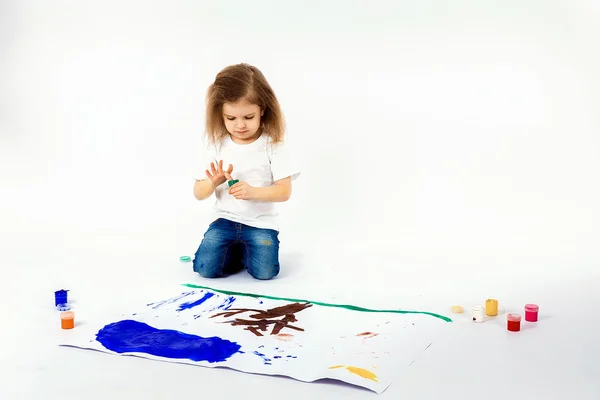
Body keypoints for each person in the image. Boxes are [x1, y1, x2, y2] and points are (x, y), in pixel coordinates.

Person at [191, 63, 300, 280]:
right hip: (224, 221)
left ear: (262, 110)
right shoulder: (216, 145)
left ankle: (242, 252)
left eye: (248, 117)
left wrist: (253, 192)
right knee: (205, 269)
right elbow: (198, 193)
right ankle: (234, 250)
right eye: (231, 118)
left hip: (260, 224)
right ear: (220, 114)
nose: (240, 125)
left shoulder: (273, 145)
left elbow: (284, 192)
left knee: (265, 273)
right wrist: (211, 183)